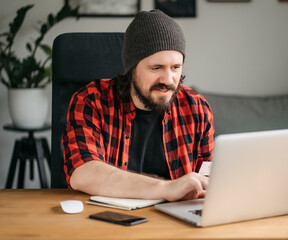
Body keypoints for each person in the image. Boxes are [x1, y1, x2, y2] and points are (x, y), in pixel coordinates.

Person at [62, 9, 215, 202]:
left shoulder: (197, 108)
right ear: (131, 68)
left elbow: (210, 180)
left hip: (177, 223)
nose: (168, 79)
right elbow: (83, 173)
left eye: (176, 67)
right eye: (156, 68)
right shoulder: (91, 101)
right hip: (109, 221)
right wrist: (167, 188)